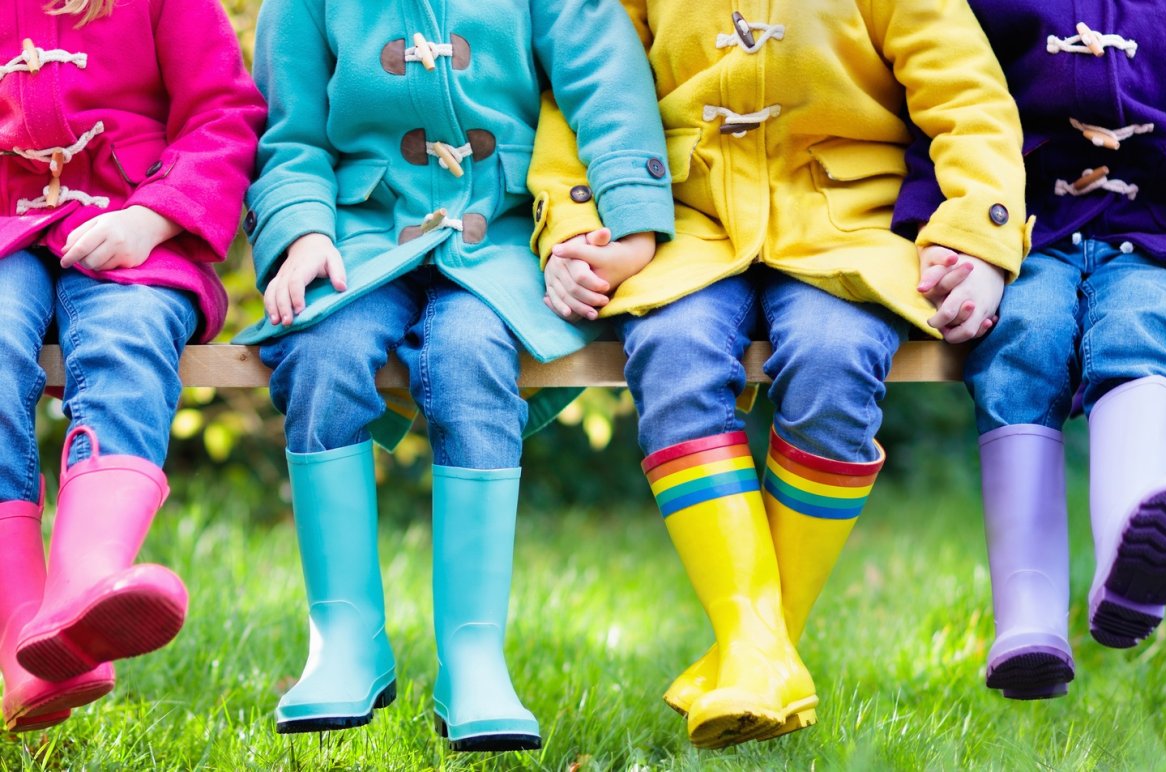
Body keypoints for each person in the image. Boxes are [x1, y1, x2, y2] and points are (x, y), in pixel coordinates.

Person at [529, 0, 1028, 748]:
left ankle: (754, 652)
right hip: (681, 219)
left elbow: (967, 96)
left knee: (835, 358)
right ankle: (759, 646)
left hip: (845, 221)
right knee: (674, 351)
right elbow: (581, 84)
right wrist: (571, 229)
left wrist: (980, 234)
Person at [239, 0, 674, 752]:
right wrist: (301, 229)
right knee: (320, 352)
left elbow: (607, 85)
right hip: (357, 232)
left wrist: (628, 219)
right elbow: (290, 134)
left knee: (470, 355)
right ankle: (344, 637)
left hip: (500, 231)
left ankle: (474, 657)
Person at [896, 3, 1166, 700]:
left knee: (1147, 323)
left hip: (1157, 226)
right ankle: (1027, 620)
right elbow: (949, 107)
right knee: (1020, 340)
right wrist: (954, 236)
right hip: (1022, 233)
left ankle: (1131, 553)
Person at [0, 0, 263, 732]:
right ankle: (25, 639)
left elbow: (224, 114)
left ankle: (85, 588)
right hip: (6, 231)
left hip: (135, 222)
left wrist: (154, 217)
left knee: (128, 338)